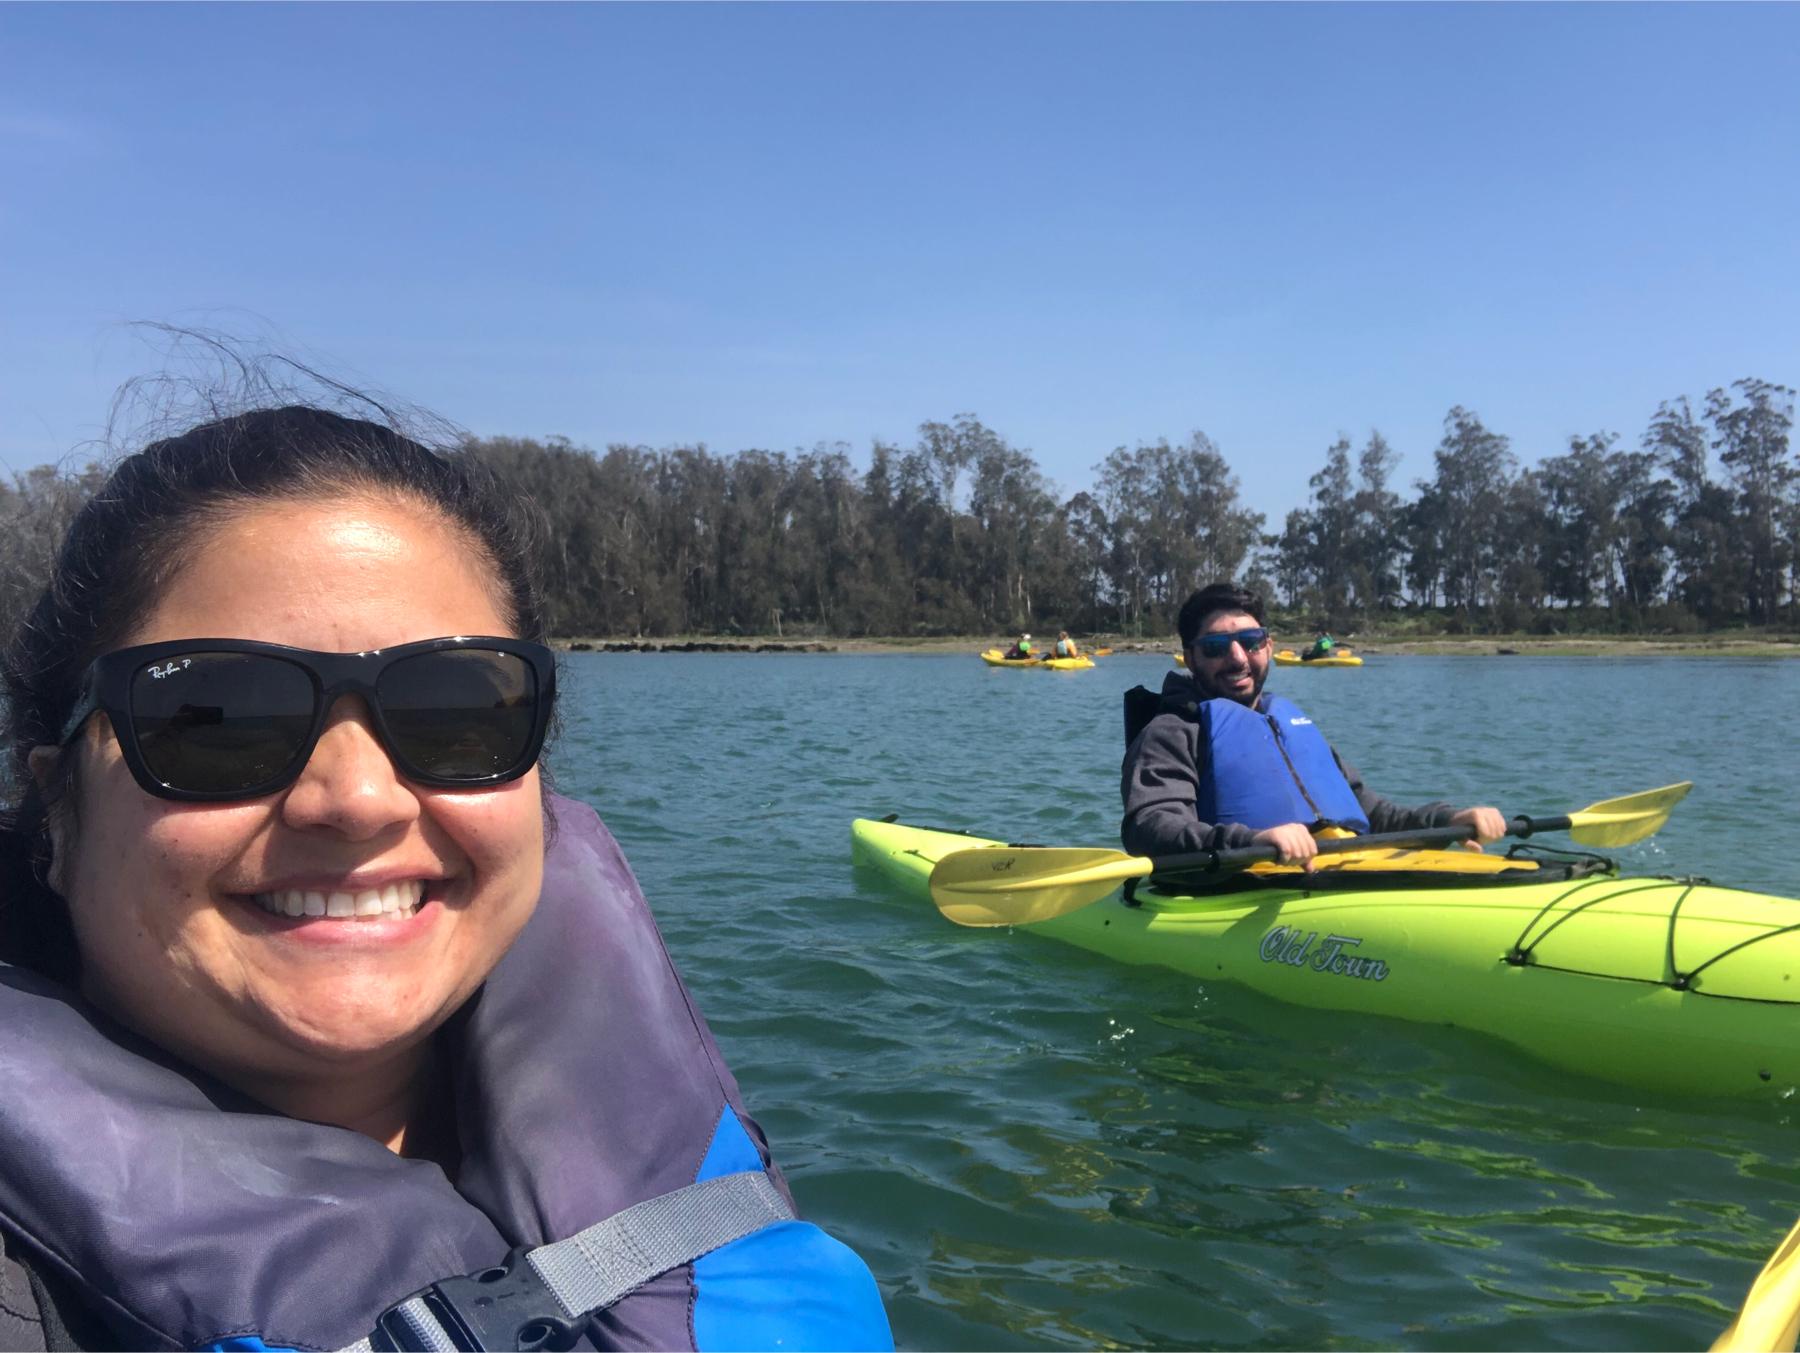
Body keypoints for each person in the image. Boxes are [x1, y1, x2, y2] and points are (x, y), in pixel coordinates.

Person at [0, 403, 892, 1351]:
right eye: (214, 719)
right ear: (57, 805)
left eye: (456, 708)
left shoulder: (666, 1158)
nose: (359, 799)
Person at [1121, 582, 1505, 864]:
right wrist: (1253, 841)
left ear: (1268, 646)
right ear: (1189, 658)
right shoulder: (1172, 732)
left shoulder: (1289, 721)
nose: (1238, 658)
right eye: (1216, 648)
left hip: (1342, 866)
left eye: (1251, 641)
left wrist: (1447, 819)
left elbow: (1371, 814)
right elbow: (1152, 826)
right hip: (1246, 886)